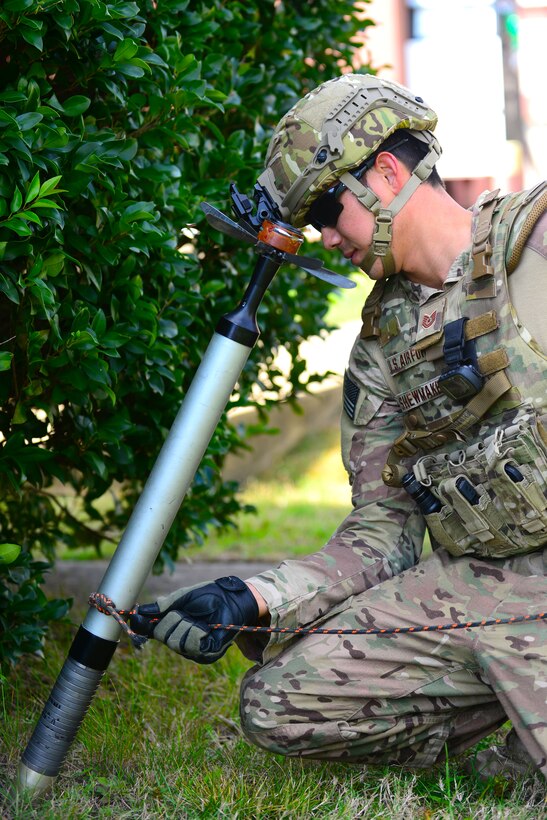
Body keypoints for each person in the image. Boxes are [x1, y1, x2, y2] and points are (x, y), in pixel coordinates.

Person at [131, 74, 547, 781]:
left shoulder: (535, 239)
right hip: (484, 590)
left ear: (387, 171)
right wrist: (256, 598)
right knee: (278, 702)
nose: (325, 237)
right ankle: (503, 738)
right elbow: (380, 536)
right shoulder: (382, 347)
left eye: (327, 207)